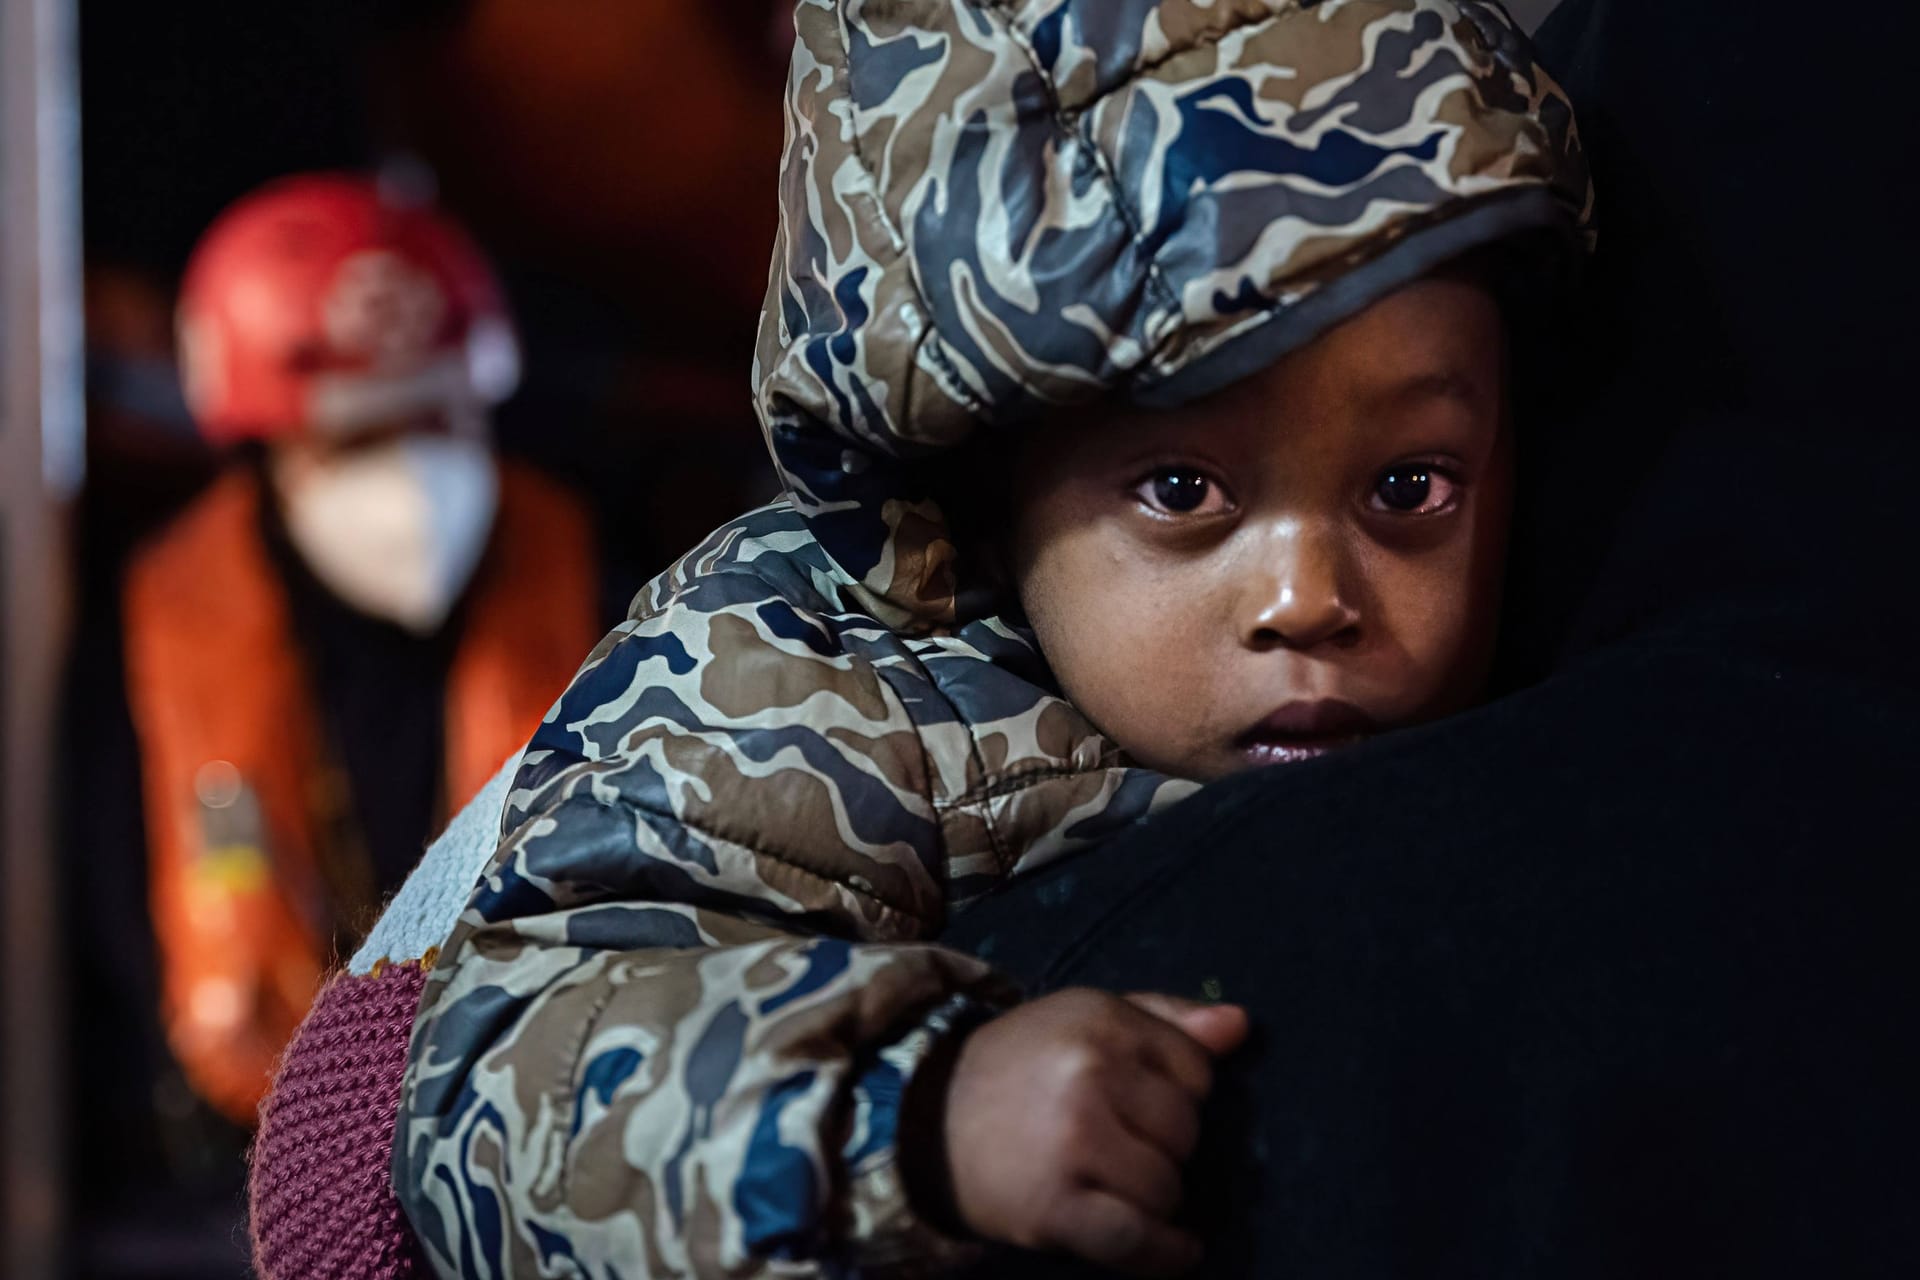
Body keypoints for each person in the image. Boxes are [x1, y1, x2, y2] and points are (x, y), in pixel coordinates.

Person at [259, 2, 1589, 1277]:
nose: (1310, 595)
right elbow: (488, 1090)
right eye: (1183, 491)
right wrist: (917, 1118)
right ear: (979, 472)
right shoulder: (805, 683)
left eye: (1410, 487)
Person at [122, 173, 602, 1126]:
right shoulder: (141, 655)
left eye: (438, 423)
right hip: (239, 1170)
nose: (415, 483)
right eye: (360, 437)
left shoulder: (607, 595)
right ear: (269, 450)